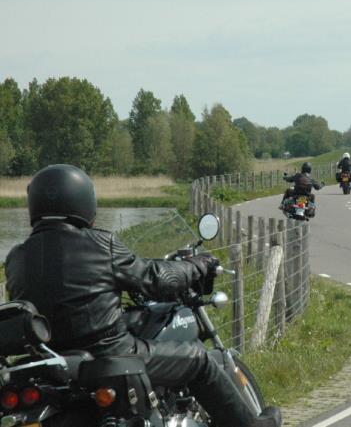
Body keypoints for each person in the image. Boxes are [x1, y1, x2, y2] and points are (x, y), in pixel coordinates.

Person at [5, 164, 281, 427]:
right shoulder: (101, 244)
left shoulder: (16, 257)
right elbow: (156, 279)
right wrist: (196, 266)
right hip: (113, 355)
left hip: (56, 364)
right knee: (200, 358)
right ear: (82, 202)